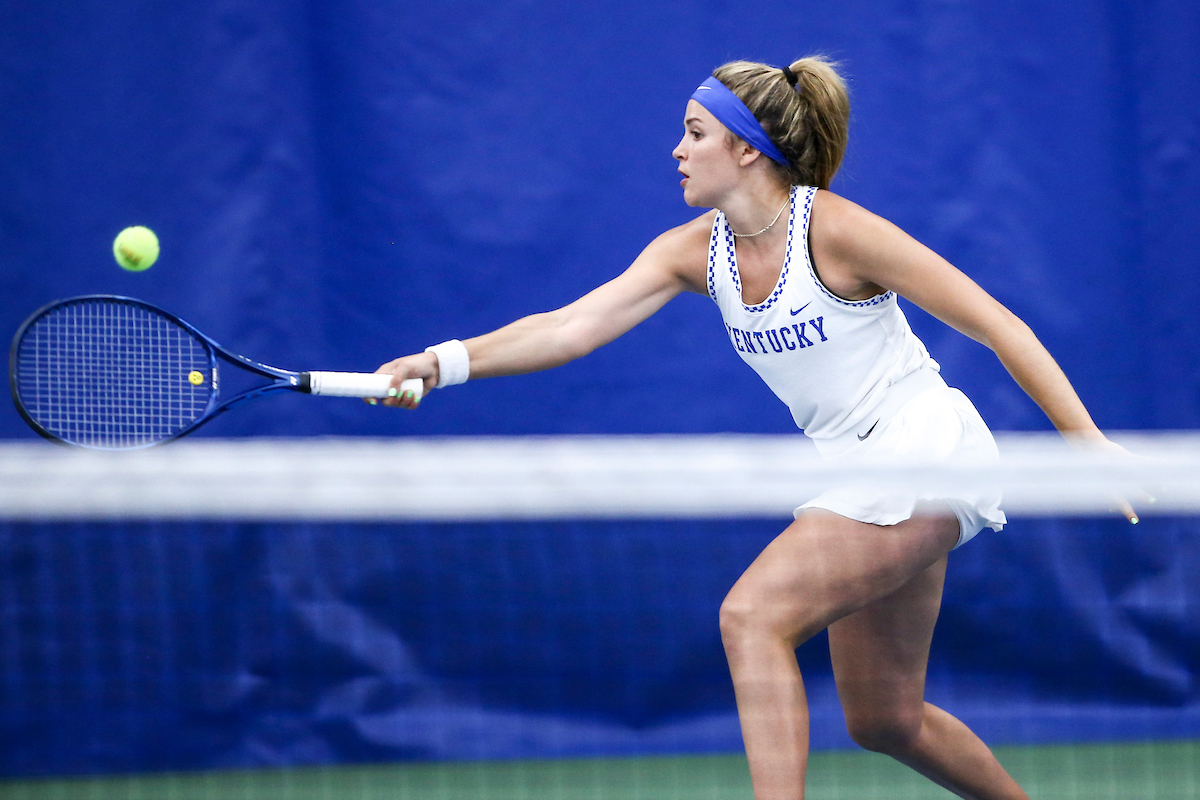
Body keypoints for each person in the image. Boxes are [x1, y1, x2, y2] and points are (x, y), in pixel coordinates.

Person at [373, 57, 1133, 800]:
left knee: (752, 616)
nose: (677, 150)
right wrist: (443, 363)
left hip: (926, 448)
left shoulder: (838, 231)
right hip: (858, 471)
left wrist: (1089, 448)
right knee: (886, 720)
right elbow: (568, 327)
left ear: (745, 149)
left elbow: (998, 324)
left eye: (694, 132)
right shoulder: (691, 254)